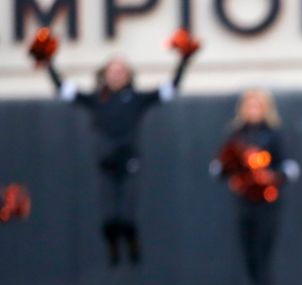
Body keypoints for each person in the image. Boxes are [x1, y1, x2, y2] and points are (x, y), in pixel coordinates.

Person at [29, 27, 199, 266]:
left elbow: (170, 89)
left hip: (129, 161)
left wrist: (184, 60)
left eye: (121, 70)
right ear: (104, 74)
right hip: (106, 163)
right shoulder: (97, 100)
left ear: (128, 74)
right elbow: (64, 90)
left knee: (127, 216)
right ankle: (112, 250)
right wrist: (47, 62)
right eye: (112, 70)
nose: (116, 74)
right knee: (109, 219)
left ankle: (132, 244)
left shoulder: (137, 99)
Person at [211, 90, 300, 285]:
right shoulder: (235, 134)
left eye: (257, 106)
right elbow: (218, 167)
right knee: (249, 256)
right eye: (249, 106)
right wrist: (231, 170)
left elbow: (290, 168)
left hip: (267, 202)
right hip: (244, 202)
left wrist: (270, 177)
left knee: (262, 254)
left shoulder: (274, 134)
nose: (253, 110)